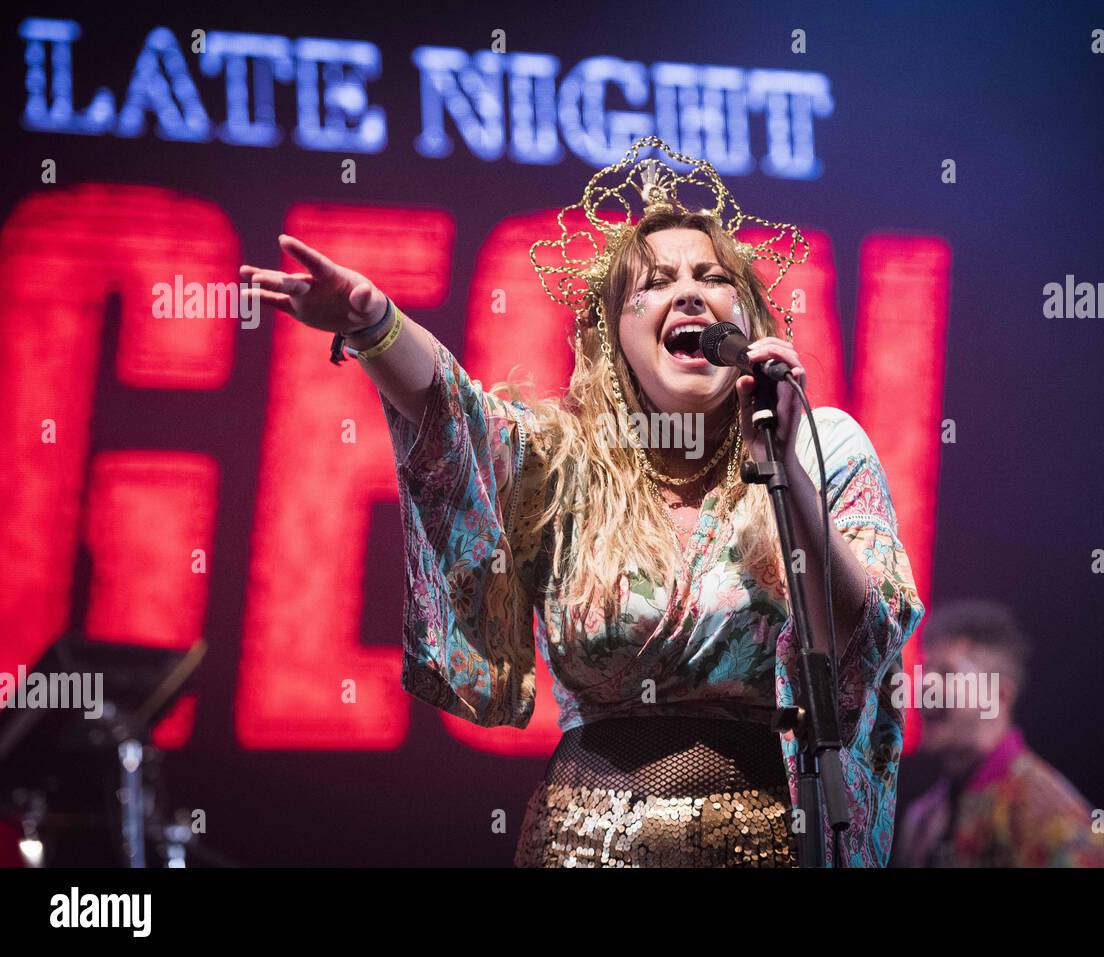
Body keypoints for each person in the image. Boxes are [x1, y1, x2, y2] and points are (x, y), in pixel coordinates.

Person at [240, 136, 924, 867]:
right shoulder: (566, 460)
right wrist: (374, 323)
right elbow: (453, 417)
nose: (689, 291)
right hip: (582, 845)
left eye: (714, 277)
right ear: (614, 335)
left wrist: (784, 460)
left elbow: (861, 643)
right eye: (656, 282)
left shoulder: (824, 446)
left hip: (763, 846)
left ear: (750, 321)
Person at [894, 599, 1104, 867]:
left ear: (998, 695)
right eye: (925, 671)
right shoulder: (922, 818)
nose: (922, 688)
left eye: (946, 673)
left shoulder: (1060, 824)